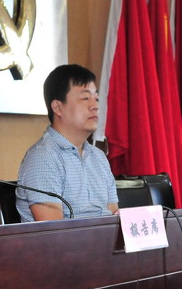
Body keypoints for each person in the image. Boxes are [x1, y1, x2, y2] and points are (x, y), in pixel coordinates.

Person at [15, 64, 118, 222]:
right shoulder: (43, 157)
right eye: (85, 98)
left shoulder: (98, 157)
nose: (95, 106)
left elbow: (114, 216)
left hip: (104, 237)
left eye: (96, 98)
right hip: (72, 238)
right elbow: (55, 231)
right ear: (57, 107)